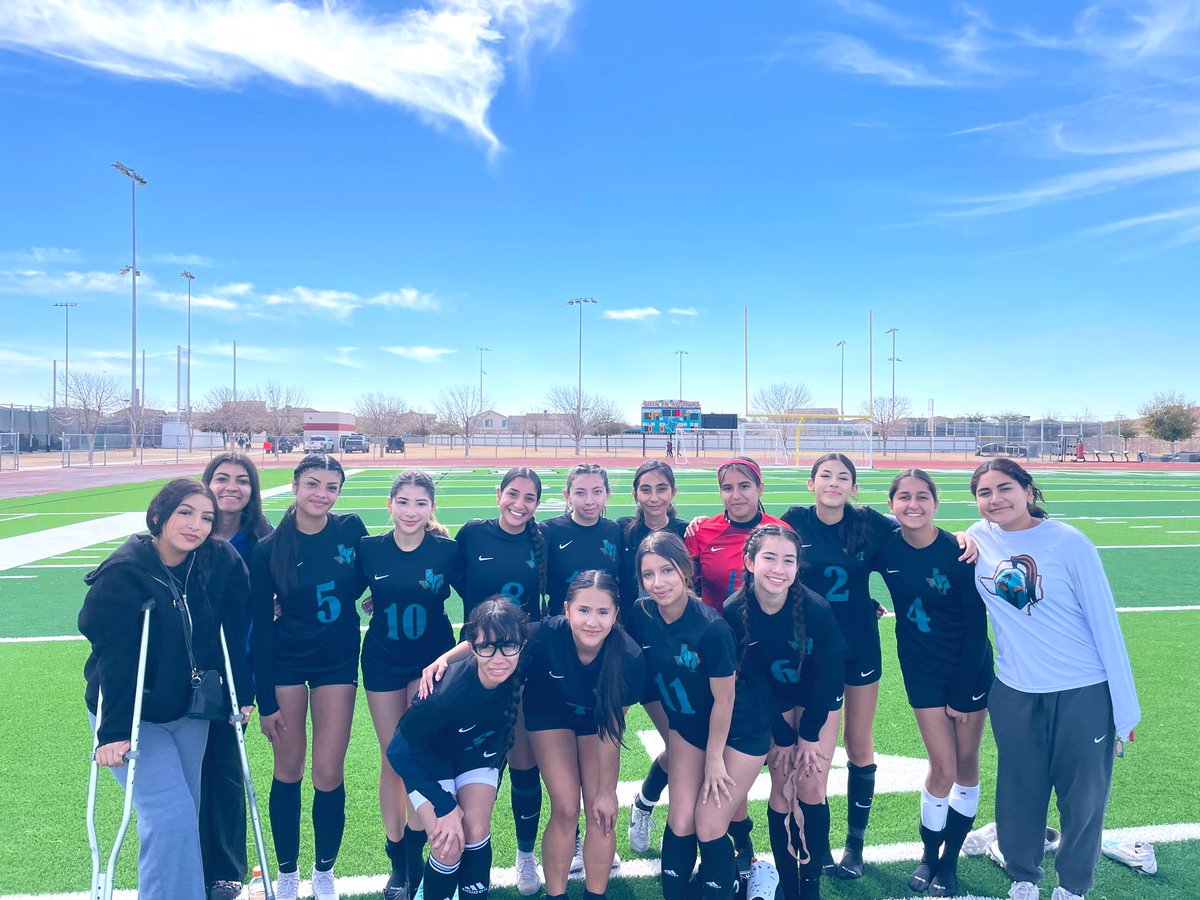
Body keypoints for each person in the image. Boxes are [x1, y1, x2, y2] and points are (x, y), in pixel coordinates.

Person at [968, 459, 1139, 900]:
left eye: (1005, 488)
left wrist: (1124, 708)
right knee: (1018, 791)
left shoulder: (1069, 542)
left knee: (1083, 797)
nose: (995, 499)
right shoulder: (976, 538)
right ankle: (1023, 876)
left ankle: (1072, 886)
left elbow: (1105, 622)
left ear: (1028, 490)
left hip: (1081, 689)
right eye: (984, 492)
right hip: (1014, 690)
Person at [80, 478, 254, 900]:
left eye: (207, 518)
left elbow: (233, 634)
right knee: (169, 816)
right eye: (185, 513)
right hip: (134, 713)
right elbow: (114, 658)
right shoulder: (124, 573)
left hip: (188, 709)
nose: (196, 526)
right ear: (158, 516)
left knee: (184, 815)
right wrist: (113, 731)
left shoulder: (218, 561)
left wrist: (243, 694)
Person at [250, 454, 368, 900]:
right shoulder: (269, 549)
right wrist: (265, 701)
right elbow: (261, 628)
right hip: (285, 661)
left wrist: (380, 594)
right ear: (295, 486)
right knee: (288, 768)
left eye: (332, 487)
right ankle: (286, 873)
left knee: (328, 771)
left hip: (336, 661)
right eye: (313, 484)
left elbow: (373, 571)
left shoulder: (350, 529)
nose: (322, 494)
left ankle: (323, 871)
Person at [629, 531, 770, 900]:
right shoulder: (641, 614)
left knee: (708, 823)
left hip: (739, 731)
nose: (658, 583)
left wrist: (714, 759)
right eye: (648, 574)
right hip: (689, 726)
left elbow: (725, 700)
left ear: (686, 570)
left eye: (667, 570)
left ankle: (744, 877)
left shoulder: (712, 628)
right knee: (680, 821)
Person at [778, 453, 900, 878]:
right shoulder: (795, 520)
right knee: (814, 753)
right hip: (811, 652)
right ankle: (816, 843)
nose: (834, 483)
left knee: (858, 742)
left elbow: (915, 534)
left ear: (853, 487)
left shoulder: (869, 522)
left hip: (859, 645)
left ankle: (855, 845)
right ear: (811, 483)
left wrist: (961, 537)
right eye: (825, 475)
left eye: (843, 477)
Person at [874, 470, 994, 897]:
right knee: (942, 767)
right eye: (904, 497)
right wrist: (864, 604)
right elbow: (846, 572)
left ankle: (949, 861)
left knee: (966, 766)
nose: (914, 505)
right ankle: (928, 855)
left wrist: (963, 693)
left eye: (923, 496)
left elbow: (976, 627)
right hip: (921, 668)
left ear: (935, 504)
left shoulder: (958, 551)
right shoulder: (885, 546)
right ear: (891, 505)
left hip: (969, 668)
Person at [723, 525, 846, 900]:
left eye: (788, 560)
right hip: (773, 702)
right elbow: (753, 680)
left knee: (810, 784)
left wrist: (808, 734)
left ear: (797, 567)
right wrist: (782, 735)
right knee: (783, 786)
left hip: (816, 700)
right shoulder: (734, 611)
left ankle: (810, 886)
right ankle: (789, 888)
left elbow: (830, 675)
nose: (779, 569)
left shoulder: (815, 609)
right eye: (769, 558)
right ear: (750, 562)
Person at [684, 456, 787, 869]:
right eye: (727, 487)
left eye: (745, 486)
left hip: (770, 660)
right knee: (724, 757)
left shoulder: (780, 530)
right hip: (718, 663)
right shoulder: (702, 532)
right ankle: (741, 848)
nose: (736, 494)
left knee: (779, 759)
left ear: (760, 488)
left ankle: (796, 854)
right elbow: (684, 585)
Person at [389, 599, 530, 900]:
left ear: (522, 644)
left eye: (508, 646)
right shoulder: (442, 694)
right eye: (487, 648)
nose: (499, 658)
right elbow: (398, 753)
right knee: (448, 842)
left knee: (475, 829)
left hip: (475, 755)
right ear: (473, 647)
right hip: (430, 761)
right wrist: (445, 805)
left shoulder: (521, 653)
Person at [359, 472, 458, 900]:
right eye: (403, 502)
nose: (411, 511)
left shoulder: (447, 551)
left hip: (430, 662)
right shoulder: (369, 548)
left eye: (420, 503)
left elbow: (480, 591)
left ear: (432, 508)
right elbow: (341, 587)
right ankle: (398, 858)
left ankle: (415, 857)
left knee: (418, 755)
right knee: (392, 759)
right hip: (382, 661)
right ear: (390, 504)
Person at [452, 467, 548, 895]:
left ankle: (525, 855)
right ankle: (461, 857)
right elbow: (441, 573)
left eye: (529, 498)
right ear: (499, 493)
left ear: (538, 504)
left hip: (523, 664)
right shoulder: (473, 534)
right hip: (474, 663)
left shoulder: (543, 540)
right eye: (513, 494)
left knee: (524, 763)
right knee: (470, 765)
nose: (519, 504)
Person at [199, 452, 274, 900]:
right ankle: (191, 860)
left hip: (237, 671)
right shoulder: (190, 532)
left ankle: (227, 870)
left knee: (225, 767)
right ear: (207, 483)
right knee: (188, 771)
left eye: (242, 480)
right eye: (222, 478)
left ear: (252, 489)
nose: (231, 487)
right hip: (187, 671)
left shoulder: (263, 539)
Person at [619, 461, 689, 852]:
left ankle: (646, 802)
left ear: (673, 492)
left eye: (662, 488)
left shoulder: (688, 533)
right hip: (639, 655)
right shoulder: (622, 533)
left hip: (684, 654)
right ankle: (647, 806)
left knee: (687, 747)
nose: (654, 497)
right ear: (635, 493)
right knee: (679, 748)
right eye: (645, 489)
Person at [542, 464, 623, 615]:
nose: (589, 501)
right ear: (567, 495)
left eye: (597, 492)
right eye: (580, 493)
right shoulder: (549, 531)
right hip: (560, 623)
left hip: (604, 623)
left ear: (607, 493)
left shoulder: (614, 531)